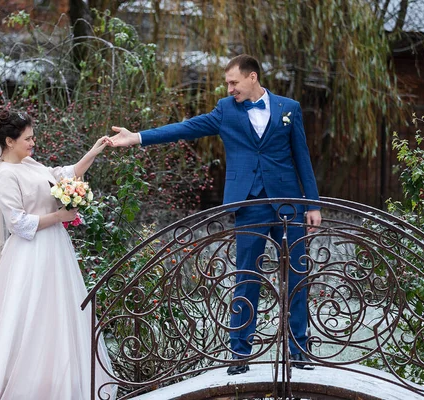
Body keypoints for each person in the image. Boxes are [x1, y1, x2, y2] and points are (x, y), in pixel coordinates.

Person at [109, 54, 322, 375]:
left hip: (289, 202)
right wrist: (137, 138)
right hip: (248, 204)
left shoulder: (289, 108)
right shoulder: (225, 110)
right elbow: (186, 128)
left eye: (234, 82)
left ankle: (299, 349)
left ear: (253, 77)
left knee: (296, 277)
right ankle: (239, 354)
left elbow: (302, 156)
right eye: (227, 83)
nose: (229, 87)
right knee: (245, 278)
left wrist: (314, 204)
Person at [0, 110, 117, 399]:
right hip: (29, 255)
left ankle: (59, 382)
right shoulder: (5, 175)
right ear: (9, 141)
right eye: (28, 138)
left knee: (59, 315)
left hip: (55, 251)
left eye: (33, 137)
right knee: (26, 318)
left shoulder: (29, 163)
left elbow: (64, 174)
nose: (33, 143)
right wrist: (59, 216)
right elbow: (18, 223)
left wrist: (93, 152)